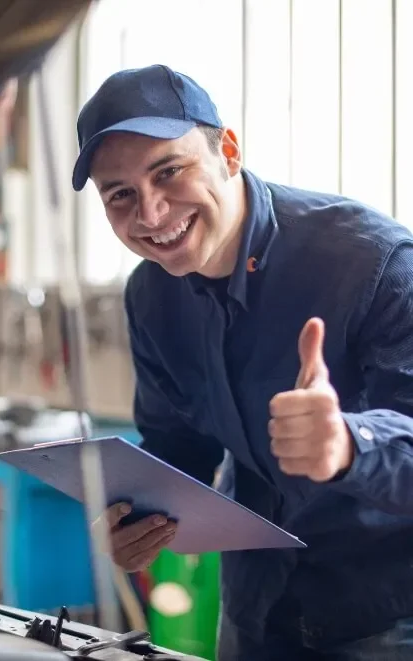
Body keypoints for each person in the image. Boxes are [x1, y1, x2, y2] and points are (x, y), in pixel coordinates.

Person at [72, 64, 413, 660]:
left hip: (382, 612)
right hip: (256, 606)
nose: (151, 215)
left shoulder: (374, 263)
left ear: (227, 151)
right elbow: (177, 447)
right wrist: (135, 520)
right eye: (120, 195)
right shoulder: (151, 296)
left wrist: (348, 445)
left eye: (169, 172)